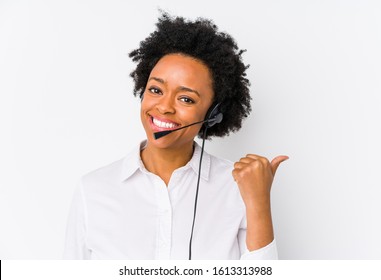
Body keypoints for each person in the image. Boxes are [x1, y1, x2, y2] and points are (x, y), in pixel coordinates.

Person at [63, 11, 288, 260]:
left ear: (213, 113)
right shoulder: (93, 189)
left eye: (186, 98)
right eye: (156, 89)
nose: (164, 107)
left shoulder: (237, 187)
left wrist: (258, 202)